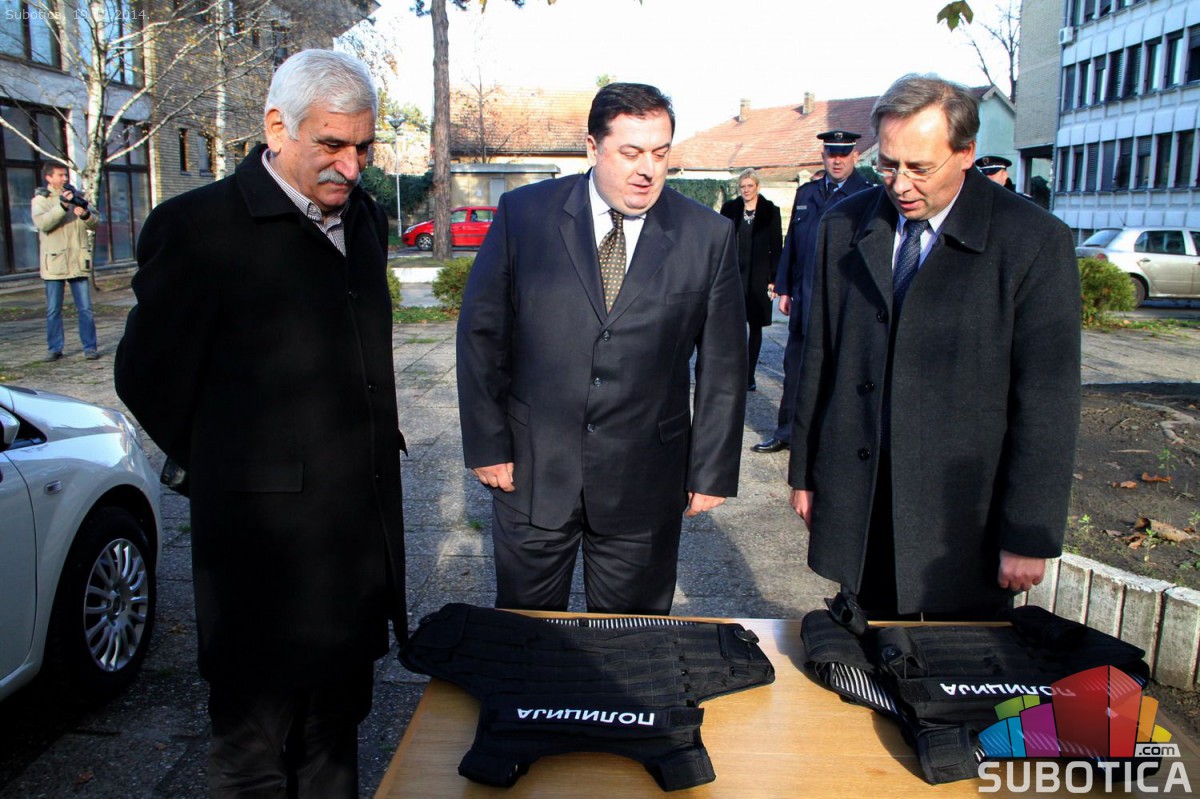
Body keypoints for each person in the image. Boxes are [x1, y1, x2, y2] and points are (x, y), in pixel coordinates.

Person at [114, 49, 406, 797]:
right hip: (261, 557)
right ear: (277, 127)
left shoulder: (364, 218)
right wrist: (233, 460)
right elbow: (146, 377)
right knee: (253, 755)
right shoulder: (198, 227)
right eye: (332, 144)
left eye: (364, 147)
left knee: (335, 738)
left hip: (353, 546)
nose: (351, 166)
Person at [788, 74, 1081, 620]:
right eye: (888, 165)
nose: (900, 185)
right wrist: (805, 473)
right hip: (864, 496)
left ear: (966, 153)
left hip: (963, 516)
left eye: (919, 168)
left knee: (955, 664)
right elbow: (819, 357)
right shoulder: (842, 226)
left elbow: (1048, 399)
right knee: (867, 648)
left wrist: (1028, 533)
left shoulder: (1033, 241)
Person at [457, 82, 746, 616]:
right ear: (593, 147)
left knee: (632, 639)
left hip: (644, 480)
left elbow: (724, 364)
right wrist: (486, 443)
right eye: (631, 153)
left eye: (660, 153)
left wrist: (711, 469)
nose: (647, 170)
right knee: (526, 633)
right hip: (532, 470)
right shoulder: (525, 215)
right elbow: (482, 335)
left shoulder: (707, 235)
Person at [752, 130, 871, 453]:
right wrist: (784, 288)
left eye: (843, 154)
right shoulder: (807, 194)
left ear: (855, 156)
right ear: (823, 156)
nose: (837, 160)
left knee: (837, 371)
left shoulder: (867, 195)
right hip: (804, 297)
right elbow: (792, 241)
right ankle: (787, 431)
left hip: (842, 301)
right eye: (832, 154)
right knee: (795, 368)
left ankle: (830, 439)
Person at [720, 168, 781, 391]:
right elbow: (720, 241)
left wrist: (775, 279)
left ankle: (749, 375)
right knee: (732, 325)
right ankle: (732, 372)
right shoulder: (730, 209)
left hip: (758, 278)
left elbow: (776, 246)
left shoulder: (770, 211)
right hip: (733, 276)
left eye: (750, 186)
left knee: (755, 327)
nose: (746, 190)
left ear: (757, 187)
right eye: (743, 186)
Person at [33, 163, 100, 361]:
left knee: (85, 309)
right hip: (55, 262)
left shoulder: (76, 196)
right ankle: (55, 348)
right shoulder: (41, 200)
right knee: (53, 309)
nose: (64, 178)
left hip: (78, 261)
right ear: (49, 177)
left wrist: (85, 215)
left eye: (65, 175)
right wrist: (62, 207)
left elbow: (96, 222)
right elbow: (43, 224)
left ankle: (90, 347)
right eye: (60, 175)